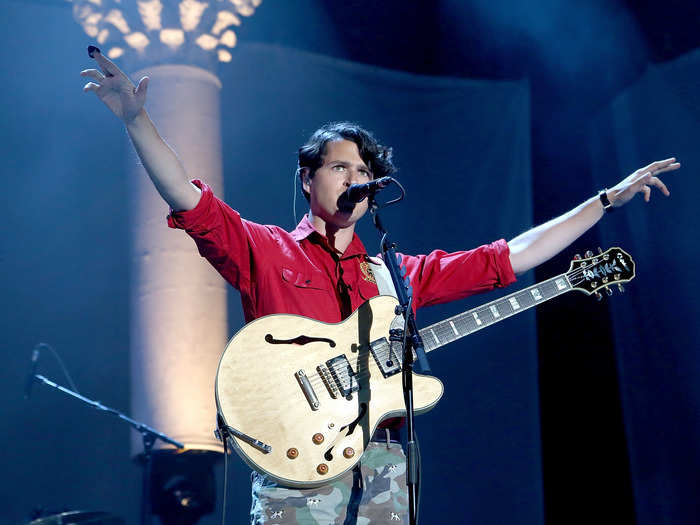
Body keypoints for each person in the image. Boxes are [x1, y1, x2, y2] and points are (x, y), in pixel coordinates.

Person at [81, 45, 679, 524]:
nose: (355, 178)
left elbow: (511, 256)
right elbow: (189, 199)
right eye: (340, 167)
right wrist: (137, 120)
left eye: (365, 171)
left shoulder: (394, 273)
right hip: (296, 456)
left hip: (385, 458)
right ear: (308, 177)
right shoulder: (266, 249)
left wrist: (601, 203)